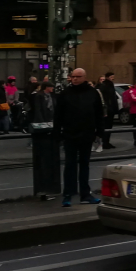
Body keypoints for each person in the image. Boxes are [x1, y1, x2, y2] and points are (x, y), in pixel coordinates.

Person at [54, 68, 104, 207]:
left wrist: (99, 131)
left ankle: (85, 194)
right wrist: (57, 133)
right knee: (70, 165)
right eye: (73, 76)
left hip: (87, 134)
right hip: (70, 134)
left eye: (77, 76)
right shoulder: (65, 94)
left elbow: (99, 112)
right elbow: (58, 115)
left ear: (84, 77)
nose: (74, 79)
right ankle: (68, 195)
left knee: (84, 165)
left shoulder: (92, 93)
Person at [98, 72, 120, 150]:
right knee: (106, 126)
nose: (113, 78)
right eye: (111, 77)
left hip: (111, 108)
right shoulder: (104, 86)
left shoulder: (110, 85)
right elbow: (104, 98)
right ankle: (104, 142)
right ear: (107, 77)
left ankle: (107, 142)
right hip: (107, 109)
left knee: (109, 126)